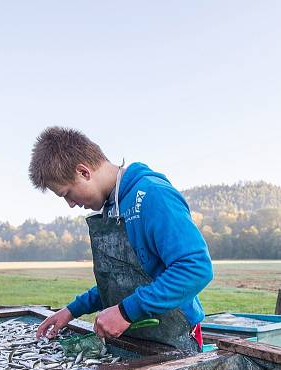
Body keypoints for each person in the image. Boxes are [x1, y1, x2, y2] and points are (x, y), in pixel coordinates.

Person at [29, 127, 213, 353]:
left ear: (84, 172)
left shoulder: (153, 195)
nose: (71, 204)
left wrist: (126, 311)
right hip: (136, 340)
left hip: (174, 341)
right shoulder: (112, 206)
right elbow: (122, 280)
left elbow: (195, 268)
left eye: (67, 193)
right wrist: (72, 310)